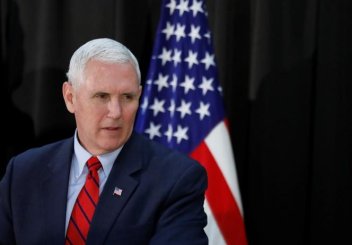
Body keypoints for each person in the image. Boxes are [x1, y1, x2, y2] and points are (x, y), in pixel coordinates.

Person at [0, 38, 208, 245]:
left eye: (127, 97)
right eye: (102, 96)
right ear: (70, 97)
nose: (116, 112)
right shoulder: (23, 172)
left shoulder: (176, 179)